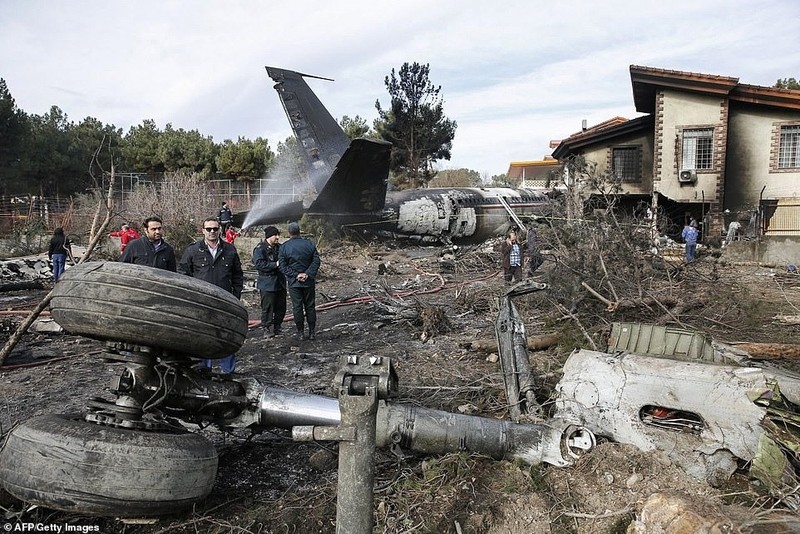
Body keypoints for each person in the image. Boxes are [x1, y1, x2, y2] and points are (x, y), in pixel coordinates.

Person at [179, 217, 244, 374]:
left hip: (225, 302)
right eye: (209, 229)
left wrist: (235, 296)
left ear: (220, 230)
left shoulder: (230, 250)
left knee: (226, 337)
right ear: (203, 231)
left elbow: (237, 275)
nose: (212, 232)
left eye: (215, 229)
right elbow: (183, 275)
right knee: (202, 337)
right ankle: (203, 371)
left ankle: (228, 372)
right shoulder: (193, 251)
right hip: (200, 303)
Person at [279, 221, 321, 340]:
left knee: (297, 307)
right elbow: (316, 261)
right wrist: (307, 274)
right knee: (310, 306)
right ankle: (312, 332)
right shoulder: (309, 244)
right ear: (299, 231)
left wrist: (296, 275)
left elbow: (283, 266)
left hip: (294, 283)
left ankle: (300, 333)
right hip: (308, 281)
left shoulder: (284, 247)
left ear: (289, 232)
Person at [253, 226, 287, 337]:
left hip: (280, 282)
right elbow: (259, 264)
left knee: (281, 307)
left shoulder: (280, 247)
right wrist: (275, 264)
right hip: (267, 283)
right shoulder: (260, 249)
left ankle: (278, 327)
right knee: (267, 307)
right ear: (269, 236)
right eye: (275, 235)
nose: (277, 237)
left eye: (278, 235)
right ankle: (266, 329)